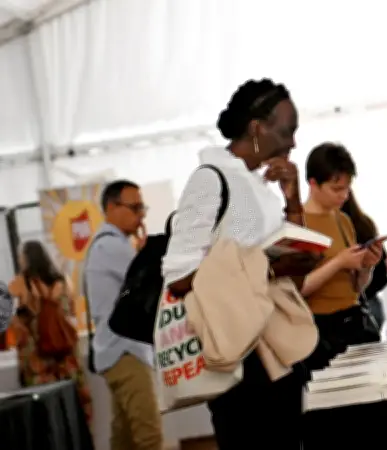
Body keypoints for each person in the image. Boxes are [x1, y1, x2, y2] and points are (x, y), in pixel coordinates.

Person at [162, 78, 315, 449]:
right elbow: (179, 277)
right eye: (287, 130)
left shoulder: (257, 184)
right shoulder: (210, 180)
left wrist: (292, 199)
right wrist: (266, 266)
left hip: (274, 346)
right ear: (256, 128)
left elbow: (298, 258)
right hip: (239, 355)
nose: (294, 142)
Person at [84, 180, 159, 450]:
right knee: (148, 435)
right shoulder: (112, 247)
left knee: (124, 437)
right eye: (135, 207)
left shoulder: (108, 245)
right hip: (124, 352)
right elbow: (153, 282)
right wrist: (146, 254)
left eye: (142, 207)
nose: (141, 215)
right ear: (111, 207)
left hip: (117, 352)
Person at [301, 143, 383, 356]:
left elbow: (356, 287)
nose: (344, 196)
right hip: (321, 329)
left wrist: (367, 266)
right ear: (313, 183)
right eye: (337, 189)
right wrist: (338, 263)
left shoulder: (343, 220)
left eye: (348, 188)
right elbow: (297, 289)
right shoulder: (297, 225)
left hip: (353, 321)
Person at [8, 241, 92, 424]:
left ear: (25, 259)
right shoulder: (62, 280)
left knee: (45, 418)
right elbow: (70, 312)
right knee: (75, 409)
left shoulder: (20, 284)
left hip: (37, 364)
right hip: (67, 358)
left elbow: (10, 320)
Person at [340, 192, 387, 329]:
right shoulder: (365, 223)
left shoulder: (337, 229)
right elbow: (383, 268)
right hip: (372, 304)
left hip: (352, 308)